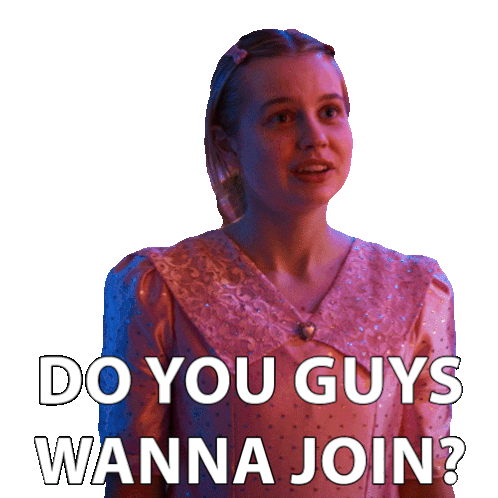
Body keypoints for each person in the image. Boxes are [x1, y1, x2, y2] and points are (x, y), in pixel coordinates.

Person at [100, 29, 456, 498]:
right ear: (228, 143)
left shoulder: (413, 289)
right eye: (282, 118)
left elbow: (425, 478)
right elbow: (133, 479)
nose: (315, 138)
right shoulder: (160, 289)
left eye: (329, 112)